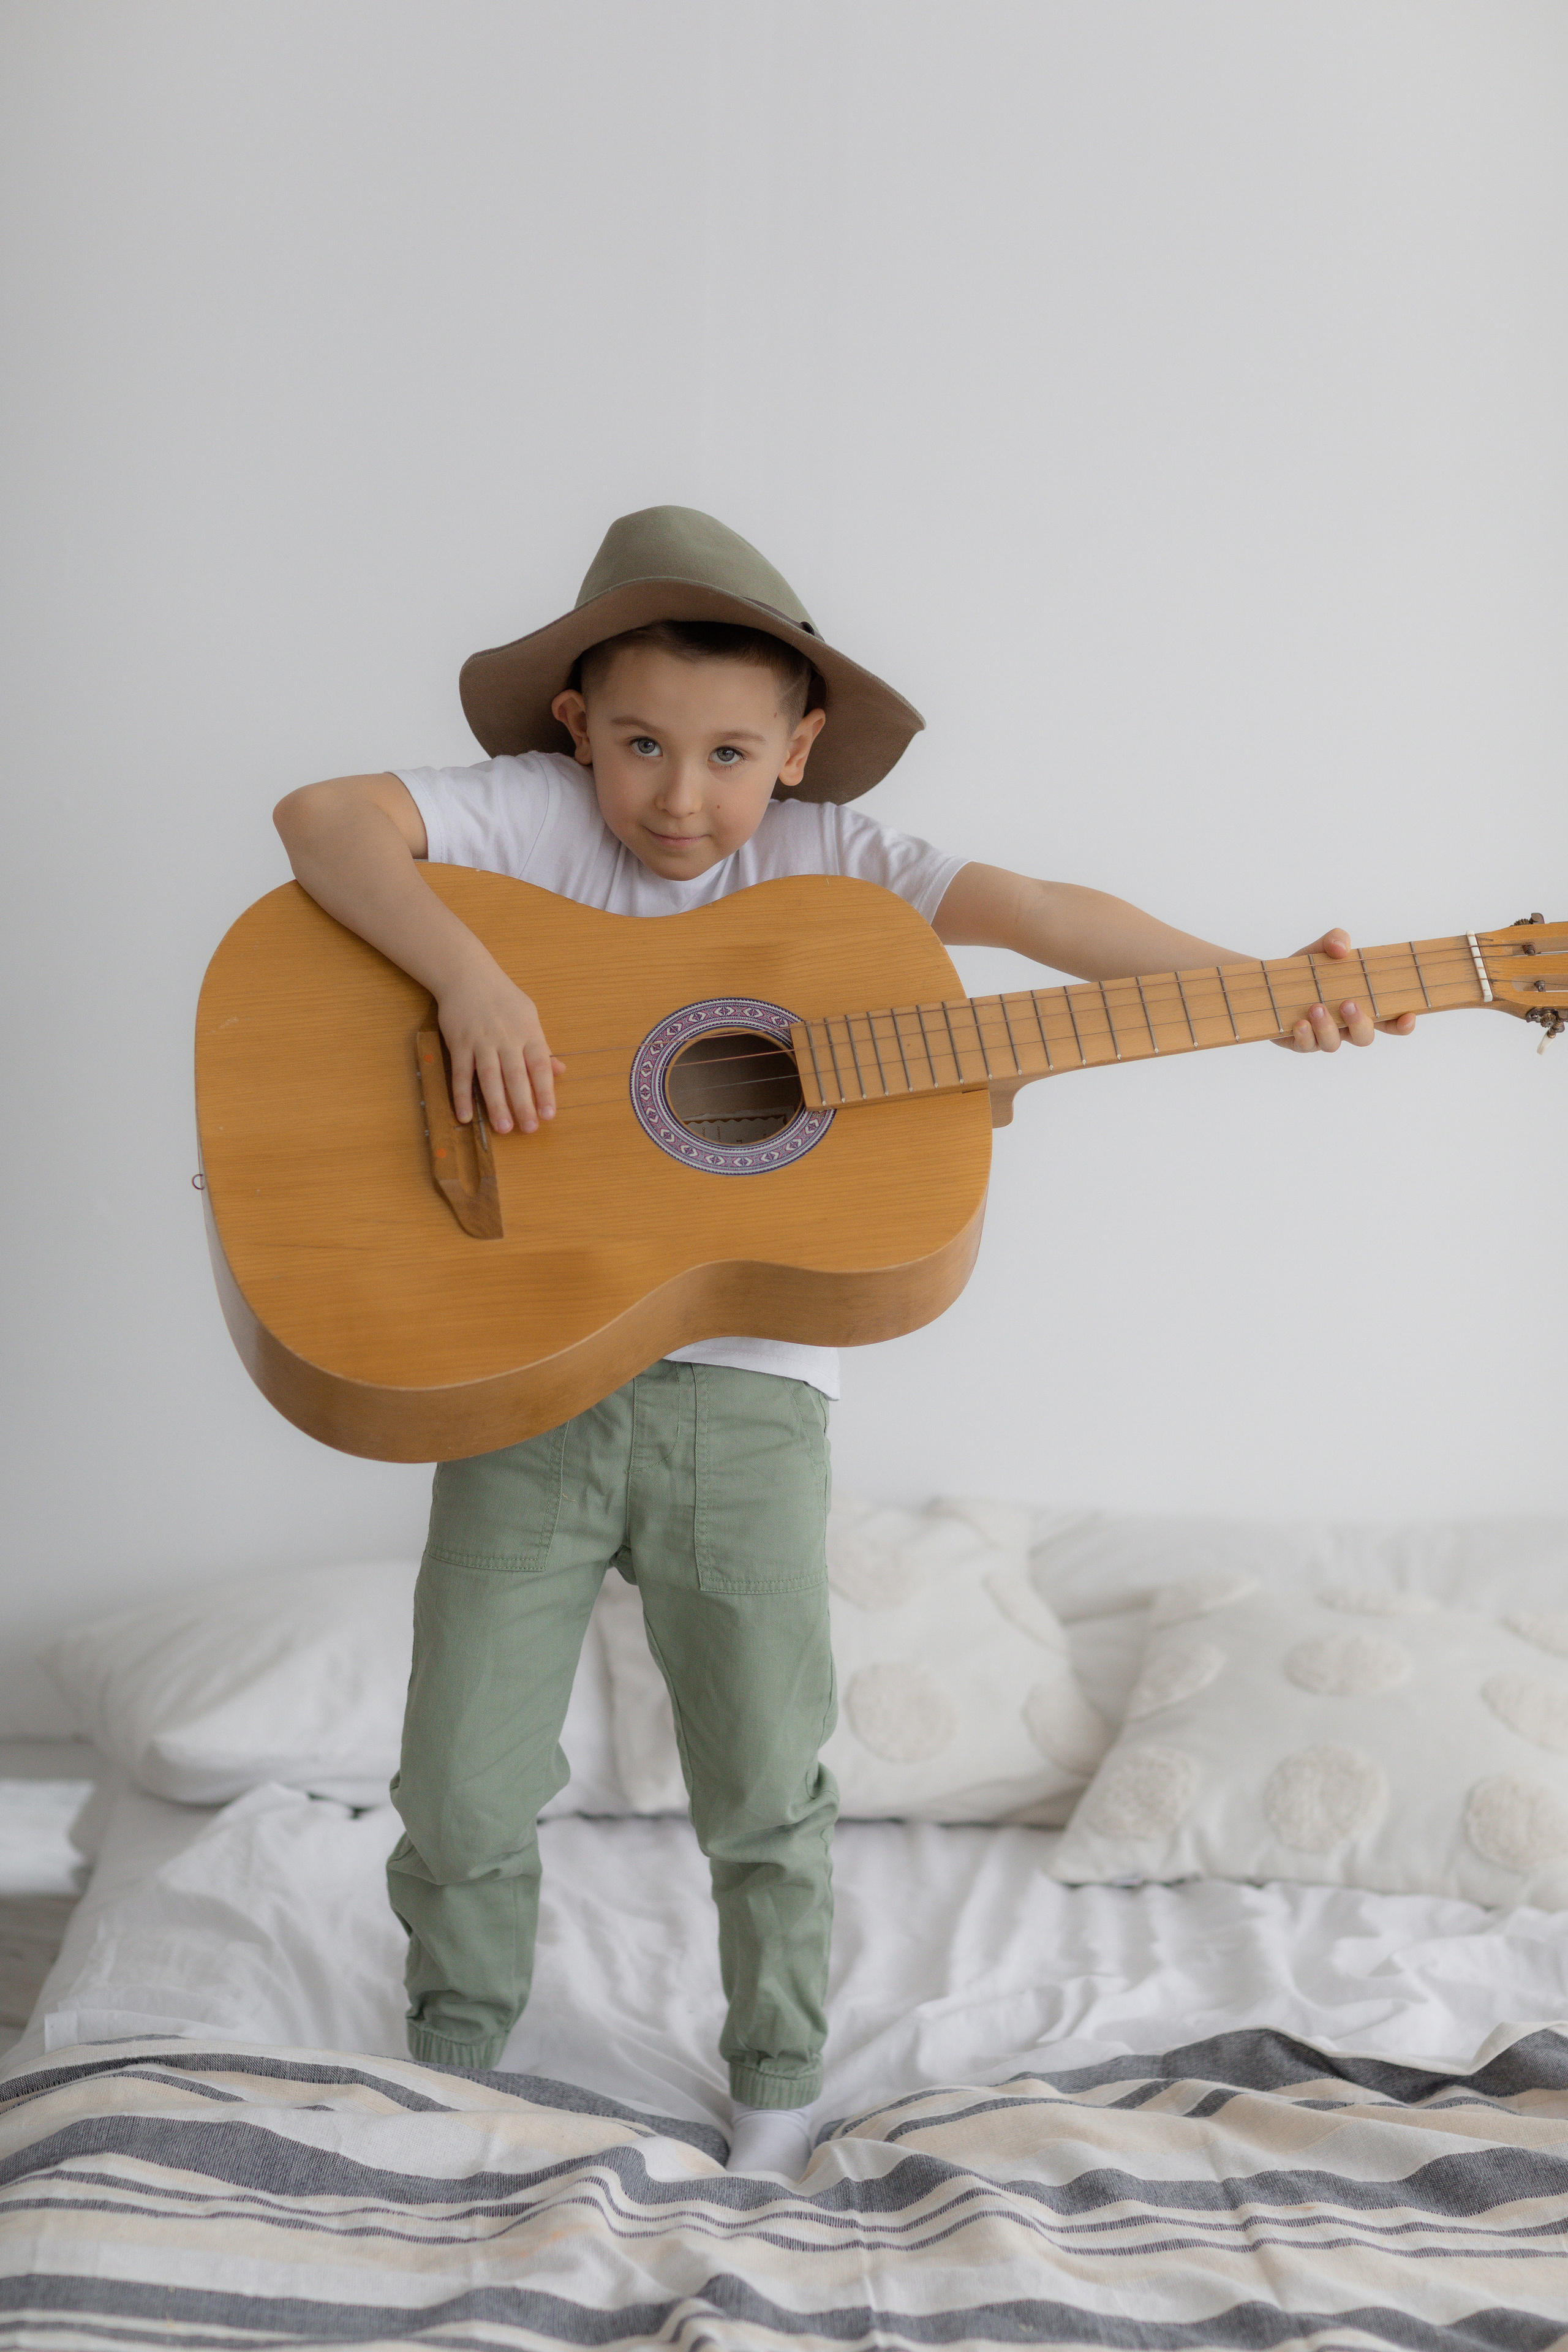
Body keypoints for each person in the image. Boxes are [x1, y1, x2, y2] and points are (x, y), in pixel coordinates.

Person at [274, 505, 1413, 2177]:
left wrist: (1263, 984)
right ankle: (453, 2060)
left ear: (800, 750)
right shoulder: (525, 819)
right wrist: (470, 983)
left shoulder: (841, 865)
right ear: (576, 725)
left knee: (762, 1777)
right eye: (642, 744)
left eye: (732, 755)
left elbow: (1043, 914)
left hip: (746, 1416)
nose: (681, 795)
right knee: (457, 1779)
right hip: (526, 1384)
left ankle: (776, 2080)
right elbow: (322, 819)